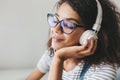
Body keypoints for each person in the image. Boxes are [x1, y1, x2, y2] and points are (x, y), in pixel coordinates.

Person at [26, 0, 120, 80]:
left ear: (89, 33)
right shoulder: (51, 54)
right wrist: (57, 57)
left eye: (68, 25)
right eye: (56, 19)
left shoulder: (103, 71)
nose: (55, 29)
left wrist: (59, 58)